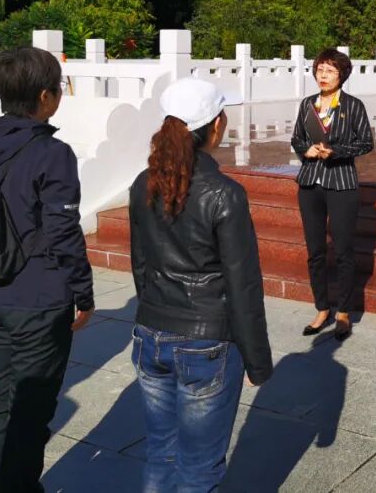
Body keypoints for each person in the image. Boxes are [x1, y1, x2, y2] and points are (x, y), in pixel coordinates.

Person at [128, 77, 273, 492]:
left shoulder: (144, 182)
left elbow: (141, 265)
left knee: (161, 453)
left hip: (151, 332)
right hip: (205, 341)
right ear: (216, 125)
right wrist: (257, 360)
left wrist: (154, 312)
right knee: (199, 467)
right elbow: (243, 284)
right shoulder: (224, 193)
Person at [0, 46, 94, 493]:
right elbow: (62, 230)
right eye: (58, 87)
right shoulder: (53, 153)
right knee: (32, 410)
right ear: (44, 96)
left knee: (0, 401)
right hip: (38, 297)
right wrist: (84, 293)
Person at [290, 48, 374, 341]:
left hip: (341, 184)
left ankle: (343, 312)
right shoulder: (307, 104)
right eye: (320, 70)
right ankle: (322, 308)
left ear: (342, 75)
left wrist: (335, 151)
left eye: (330, 71)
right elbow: (296, 138)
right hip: (310, 184)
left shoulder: (353, 105)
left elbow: (366, 142)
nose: (323, 75)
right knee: (315, 251)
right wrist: (307, 150)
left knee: (343, 251)